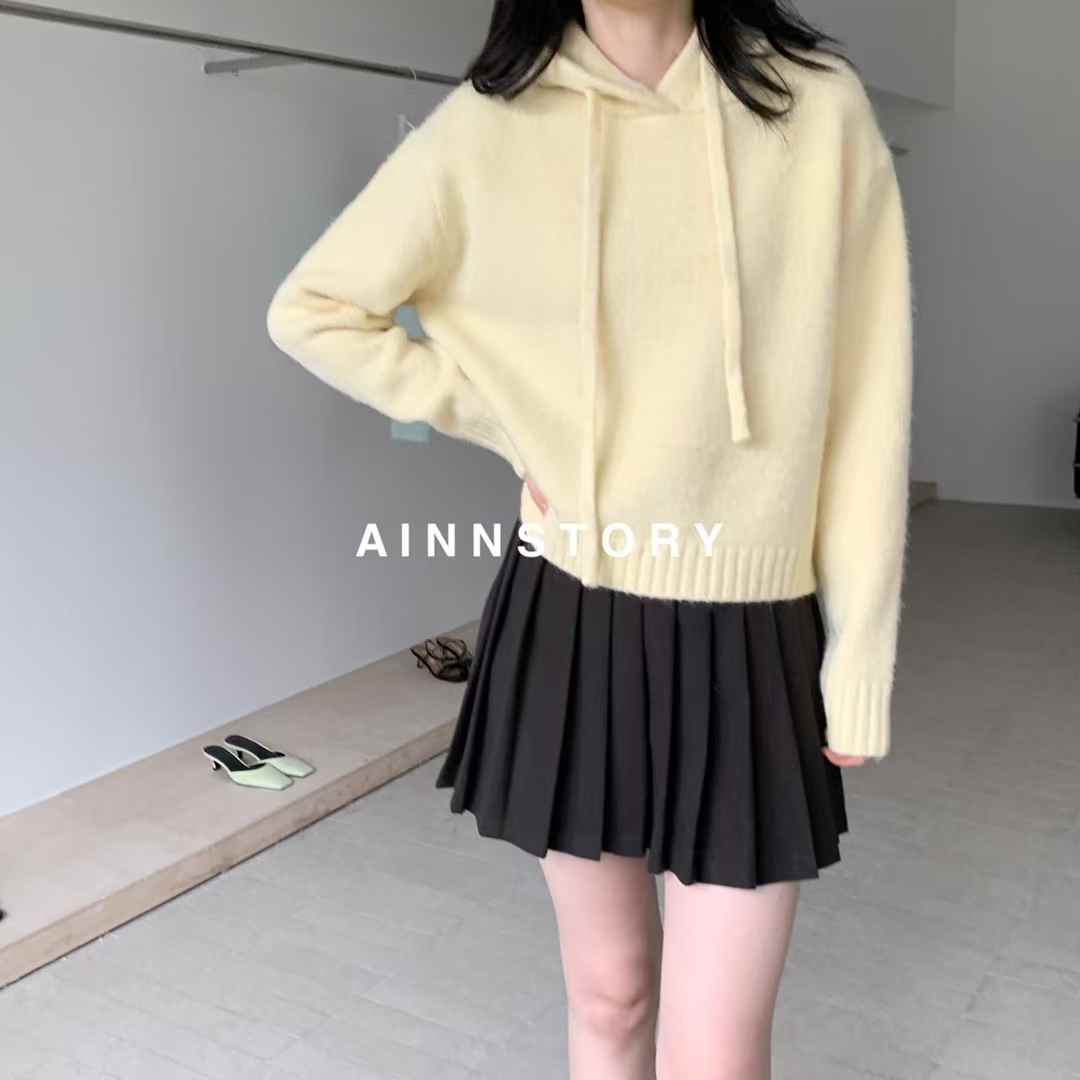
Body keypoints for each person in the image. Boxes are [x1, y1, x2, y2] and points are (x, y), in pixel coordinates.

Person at [265, 0, 915, 1075]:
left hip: (753, 627)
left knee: (718, 1049)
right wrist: (509, 425)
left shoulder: (817, 106)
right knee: (611, 999)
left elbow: (867, 399)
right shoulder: (492, 123)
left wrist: (860, 655)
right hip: (570, 614)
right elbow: (316, 308)